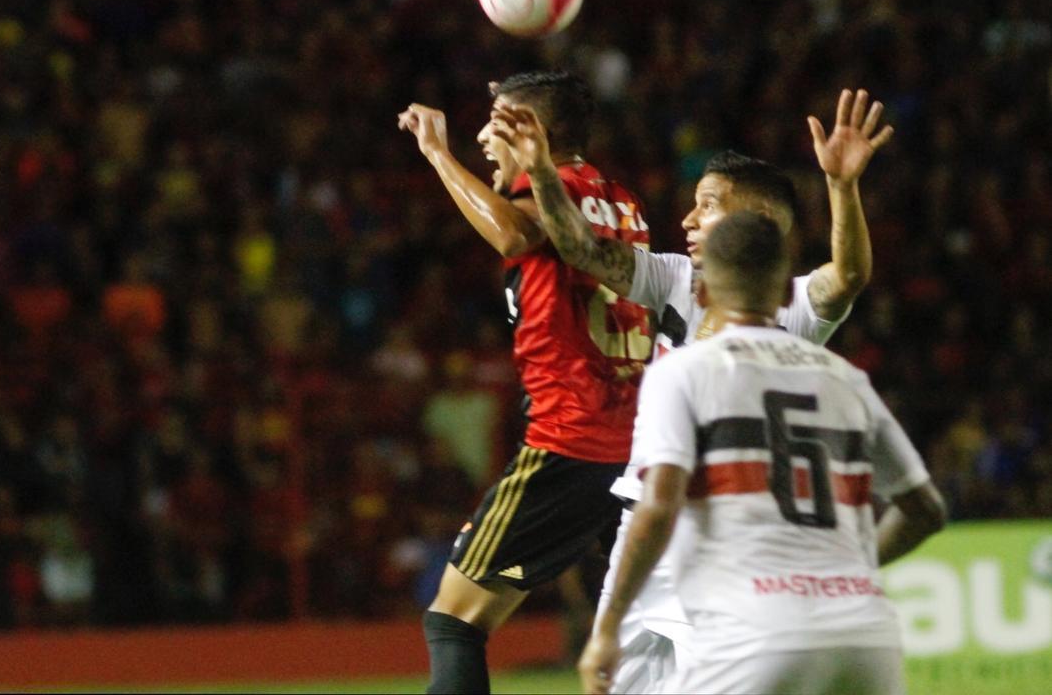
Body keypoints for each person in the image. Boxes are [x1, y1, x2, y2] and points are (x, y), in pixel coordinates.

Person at [491, 88, 894, 691]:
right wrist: (544, 173)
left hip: (724, 540)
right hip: (643, 529)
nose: (686, 220)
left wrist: (841, 187)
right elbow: (579, 248)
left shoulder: (793, 305)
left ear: (755, 221)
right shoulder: (675, 277)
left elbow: (850, 275)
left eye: (706, 206)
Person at [577, 211, 947, 694]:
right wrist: (851, 573)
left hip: (756, 634)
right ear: (788, 294)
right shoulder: (847, 379)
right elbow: (925, 511)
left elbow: (659, 506)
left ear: (702, 296)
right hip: (866, 639)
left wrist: (608, 627)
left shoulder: (683, 372)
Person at [397, 71, 655, 694]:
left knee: (454, 620)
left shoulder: (552, 187)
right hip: (636, 440)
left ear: (532, 131)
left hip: (572, 439)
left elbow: (515, 233)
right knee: (647, 626)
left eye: (496, 124)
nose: (483, 137)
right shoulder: (619, 198)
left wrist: (437, 154)